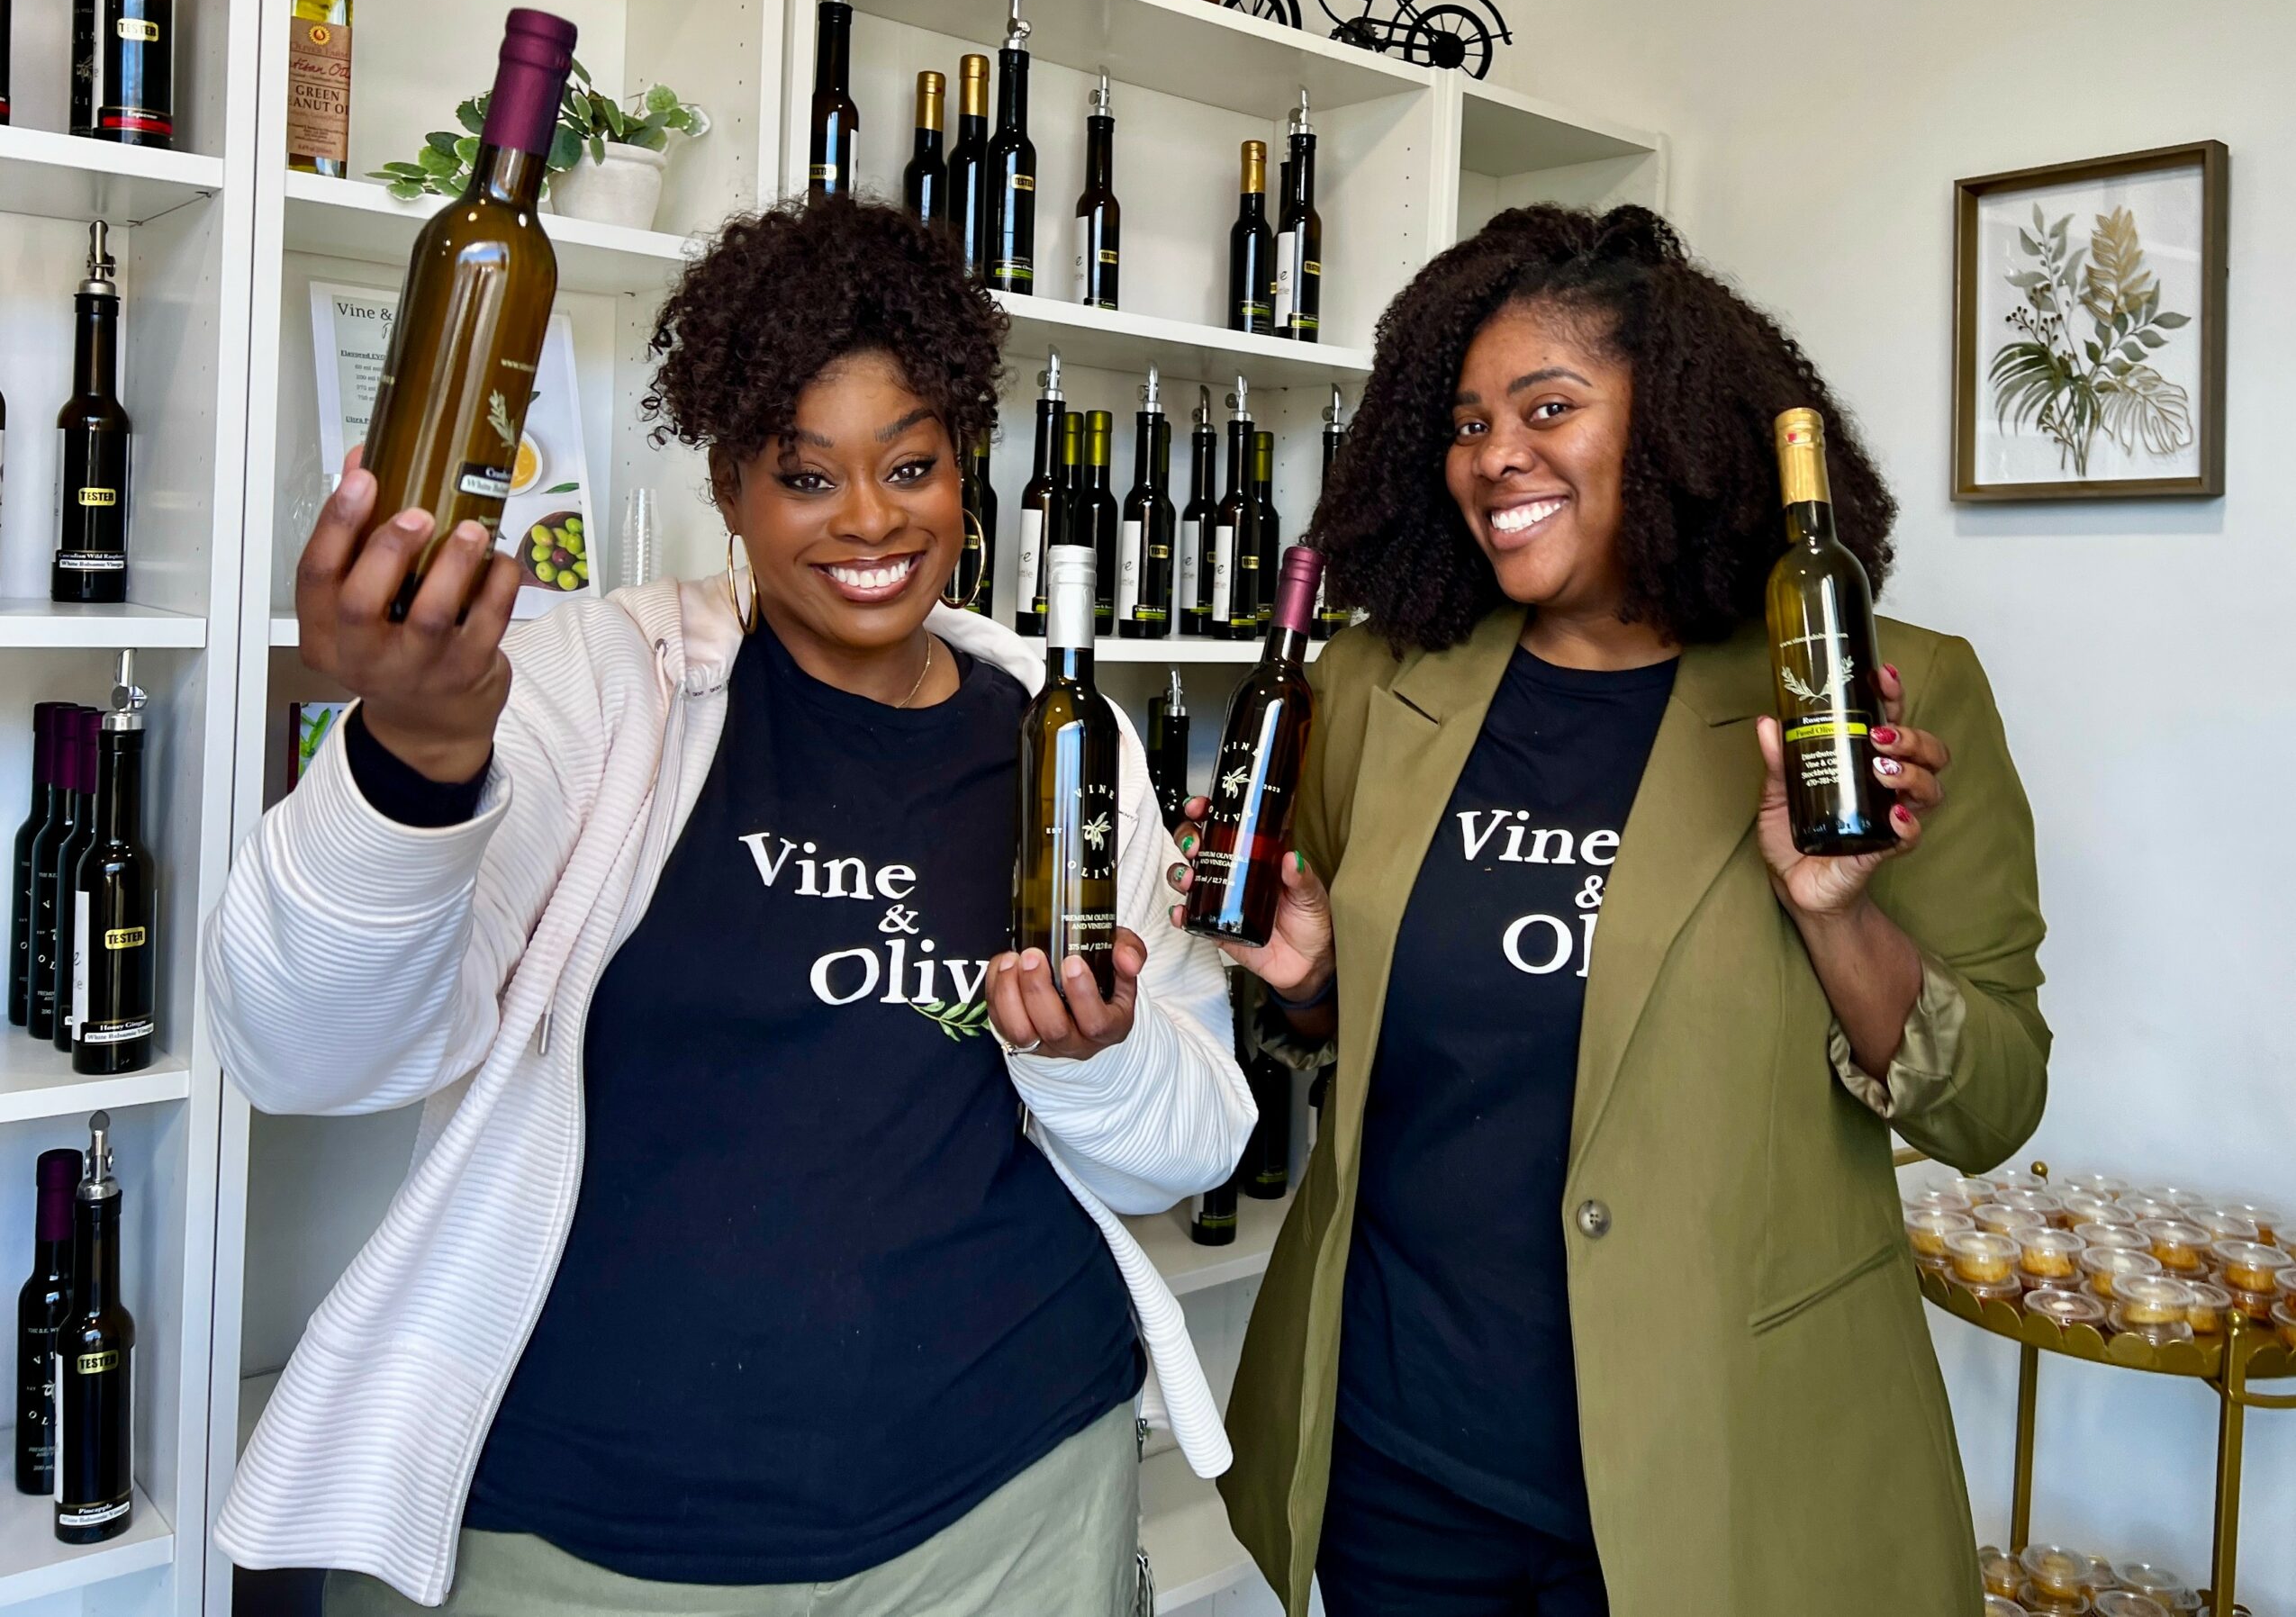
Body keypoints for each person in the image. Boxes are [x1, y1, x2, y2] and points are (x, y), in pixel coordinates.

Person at [205, 196, 1252, 1616]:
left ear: (967, 469)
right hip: (586, 1534)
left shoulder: (1061, 738)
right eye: (807, 476)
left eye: (912, 465)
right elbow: (304, 1051)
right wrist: (413, 755)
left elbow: (1189, 1146)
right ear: (728, 484)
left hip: (1015, 1493)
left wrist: (1094, 1059)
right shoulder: (593, 687)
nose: (871, 519)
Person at [1183, 204, 2048, 1616]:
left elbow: (1990, 1105)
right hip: (1402, 1459)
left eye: (1547, 408)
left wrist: (1833, 912)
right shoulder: (1372, 687)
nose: (1494, 456)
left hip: (1718, 1465)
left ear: (1677, 431)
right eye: (1465, 424)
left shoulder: (1872, 693)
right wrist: (1311, 983)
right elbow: (1380, 1038)